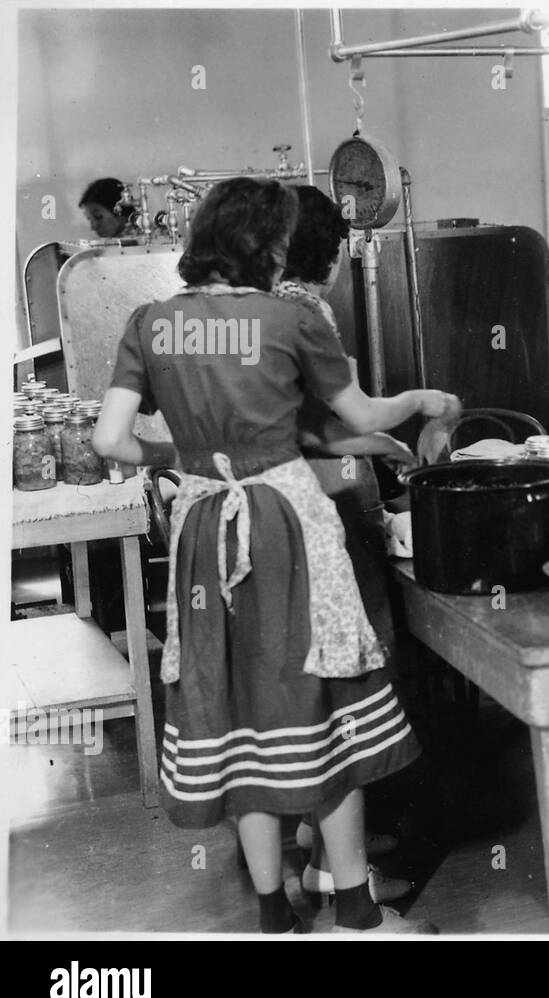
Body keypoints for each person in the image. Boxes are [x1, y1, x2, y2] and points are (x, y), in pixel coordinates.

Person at [93, 177, 460, 934]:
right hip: (288, 524)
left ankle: (274, 916)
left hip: (203, 528)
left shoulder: (150, 323)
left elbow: (109, 441)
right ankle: (359, 915)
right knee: (325, 706)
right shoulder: (289, 318)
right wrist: (422, 400)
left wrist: (185, 455)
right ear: (264, 246)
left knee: (236, 715)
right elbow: (356, 414)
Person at [273, 183, 428, 906]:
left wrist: (377, 442)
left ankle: (317, 845)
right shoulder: (310, 309)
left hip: (294, 501)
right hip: (326, 505)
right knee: (353, 682)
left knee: (317, 681)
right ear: (332, 251)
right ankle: (346, 878)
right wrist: (421, 407)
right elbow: (334, 422)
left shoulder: (267, 303)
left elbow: (308, 423)